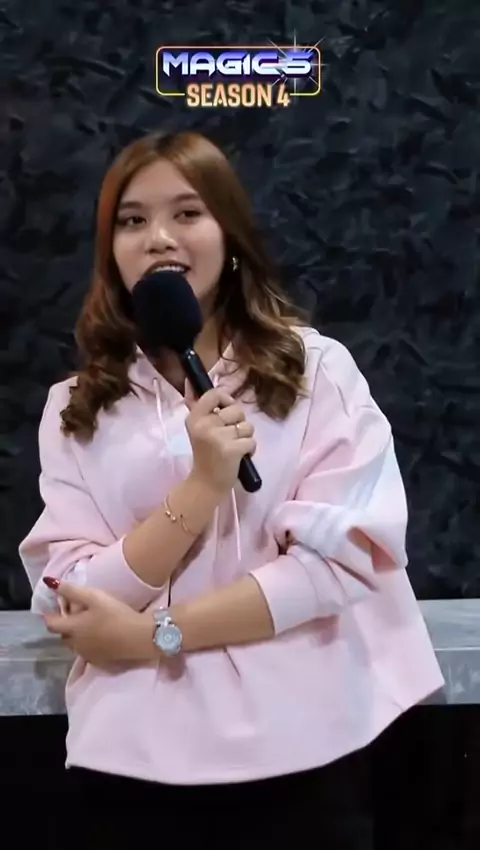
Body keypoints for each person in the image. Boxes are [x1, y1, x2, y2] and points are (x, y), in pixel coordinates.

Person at [19, 130, 443, 848]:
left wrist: (156, 634)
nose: (159, 237)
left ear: (230, 235)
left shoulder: (315, 372)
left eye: (187, 213)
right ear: (111, 250)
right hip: (132, 763)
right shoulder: (76, 407)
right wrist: (202, 486)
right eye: (132, 220)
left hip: (306, 749)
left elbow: (337, 562)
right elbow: (74, 591)